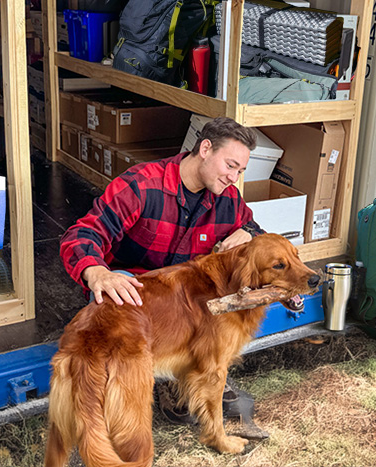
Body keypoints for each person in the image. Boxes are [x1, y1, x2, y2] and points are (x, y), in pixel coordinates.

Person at [60, 117, 267, 436]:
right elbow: (83, 233)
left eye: (240, 171)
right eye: (230, 165)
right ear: (205, 148)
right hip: (133, 291)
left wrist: (247, 233)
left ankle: (188, 373)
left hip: (182, 297)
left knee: (212, 291)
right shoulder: (141, 185)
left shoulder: (227, 198)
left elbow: (256, 230)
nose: (234, 177)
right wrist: (97, 272)